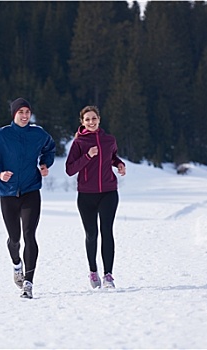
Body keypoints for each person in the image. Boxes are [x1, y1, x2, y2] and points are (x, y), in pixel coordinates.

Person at [0, 97, 56, 299]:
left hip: (31, 190)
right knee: (15, 239)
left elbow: (49, 148)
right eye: (20, 112)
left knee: (30, 235)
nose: (24, 116)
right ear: (14, 114)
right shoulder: (0, 135)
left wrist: (45, 164)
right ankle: (16, 265)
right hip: (8, 193)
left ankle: (28, 283)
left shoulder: (38, 134)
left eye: (27, 112)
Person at [65, 105, 126, 289]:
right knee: (91, 234)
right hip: (86, 195)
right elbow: (70, 169)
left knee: (107, 231)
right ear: (82, 123)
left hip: (108, 192)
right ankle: (93, 271)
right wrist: (88, 156)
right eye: (87, 120)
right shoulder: (78, 143)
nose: (91, 122)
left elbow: (112, 157)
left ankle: (108, 275)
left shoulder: (109, 140)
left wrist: (119, 164)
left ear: (99, 119)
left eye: (94, 118)